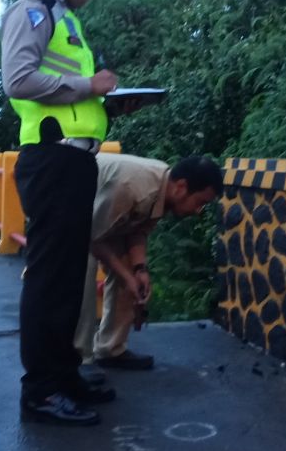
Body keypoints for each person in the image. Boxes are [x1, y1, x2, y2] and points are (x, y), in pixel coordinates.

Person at [1, 0, 130, 426]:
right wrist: (87, 84)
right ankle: (40, 390)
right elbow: (19, 78)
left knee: (70, 276)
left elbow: (67, 91)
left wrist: (105, 101)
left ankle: (64, 372)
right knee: (50, 279)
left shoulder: (64, 18)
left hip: (73, 161)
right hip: (52, 161)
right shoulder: (32, 9)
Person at [74, 155, 223, 384]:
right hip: (65, 207)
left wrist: (139, 269)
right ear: (182, 187)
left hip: (99, 217)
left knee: (131, 272)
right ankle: (79, 359)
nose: (198, 211)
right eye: (199, 202)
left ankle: (110, 349)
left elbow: (138, 229)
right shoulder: (132, 188)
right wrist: (127, 277)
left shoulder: (164, 190)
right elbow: (92, 239)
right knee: (82, 266)